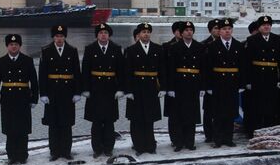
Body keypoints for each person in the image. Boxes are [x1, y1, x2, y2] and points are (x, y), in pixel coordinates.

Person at [0, 33, 38, 164]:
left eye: (16, 44)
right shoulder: (1, 61)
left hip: (23, 98)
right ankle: (11, 155)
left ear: (20, 46)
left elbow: (34, 81)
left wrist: (34, 98)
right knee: (10, 128)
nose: (13, 47)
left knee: (22, 129)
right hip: (8, 98)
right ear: (7, 46)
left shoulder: (27, 60)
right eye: (11, 44)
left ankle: (22, 155)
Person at [81, 23, 125, 157]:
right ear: (97, 35)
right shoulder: (90, 49)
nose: (103, 35)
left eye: (105, 33)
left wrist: (121, 89)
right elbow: (85, 71)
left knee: (109, 121)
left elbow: (121, 71)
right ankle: (97, 149)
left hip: (110, 90)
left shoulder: (116, 49)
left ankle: (108, 148)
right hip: (95, 90)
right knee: (96, 121)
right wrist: (85, 89)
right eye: (100, 33)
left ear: (109, 35)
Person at [39, 23, 81, 160]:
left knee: (66, 123)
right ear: (53, 37)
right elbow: (42, 74)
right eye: (57, 36)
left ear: (65, 37)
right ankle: (54, 151)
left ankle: (66, 151)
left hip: (67, 92)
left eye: (61, 36)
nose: (59, 39)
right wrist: (43, 93)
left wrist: (77, 92)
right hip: (52, 92)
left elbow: (76, 73)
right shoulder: (46, 51)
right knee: (53, 124)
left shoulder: (72, 50)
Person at [203, 17, 244, 146]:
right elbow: (207, 67)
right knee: (218, 112)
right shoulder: (212, 46)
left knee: (230, 112)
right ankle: (217, 139)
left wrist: (241, 84)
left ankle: (228, 138)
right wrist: (208, 85)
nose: (227, 31)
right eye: (224, 29)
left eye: (229, 29)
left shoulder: (238, 45)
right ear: (219, 31)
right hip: (218, 83)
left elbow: (243, 66)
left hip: (232, 82)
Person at [124, 22, 163, 154]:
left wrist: (163, 87)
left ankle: (150, 145)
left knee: (149, 118)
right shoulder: (131, 50)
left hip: (151, 87)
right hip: (136, 88)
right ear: (139, 34)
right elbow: (127, 72)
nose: (146, 34)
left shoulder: (158, 49)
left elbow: (162, 70)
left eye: (148, 32)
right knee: (136, 119)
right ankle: (139, 145)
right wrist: (128, 90)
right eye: (143, 32)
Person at [164, 20, 203, 150]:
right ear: (181, 33)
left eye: (191, 30)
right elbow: (170, 69)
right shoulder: (174, 47)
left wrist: (202, 86)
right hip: (179, 84)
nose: (189, 32)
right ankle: (179, 142)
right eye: (186, 30)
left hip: (193, 84)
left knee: (191, 115)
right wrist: (170, 88)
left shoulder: (199, 47)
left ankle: (190, 142)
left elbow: (203, 68)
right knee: (178, 115)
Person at [242, 14, 280, 134]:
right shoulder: (252, 40)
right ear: (259, 27)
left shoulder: (277, 39)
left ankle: (270, 131)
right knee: (257, 107)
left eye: (268, 25)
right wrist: (247, 81)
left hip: (272, 77)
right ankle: (256, 131)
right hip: (257, 77)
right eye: (264, 25)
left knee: (271, 105)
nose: (266, 27)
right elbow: (247, 62)